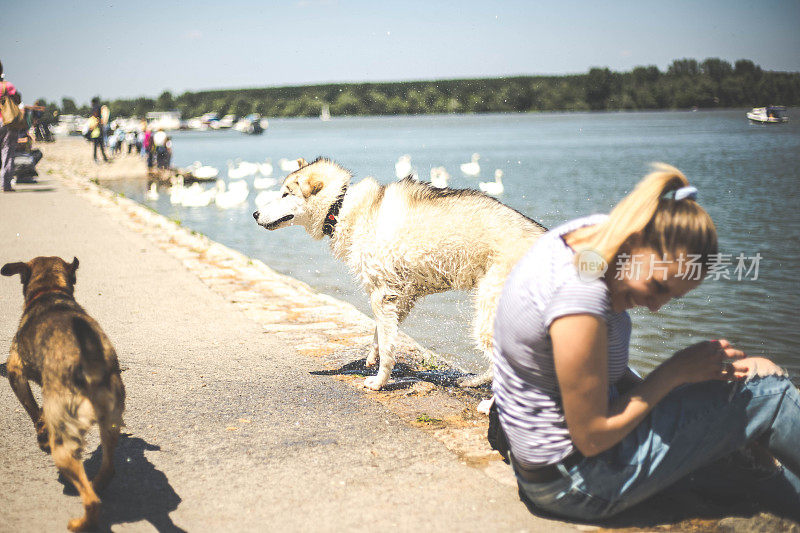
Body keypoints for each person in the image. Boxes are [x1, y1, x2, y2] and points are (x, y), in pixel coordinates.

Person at [491, 163, 800, 522]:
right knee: (770, 395)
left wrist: (695, 398)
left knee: (750, 390)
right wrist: (674, 373)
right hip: (576, 482)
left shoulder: (590, 237)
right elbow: (591, 436)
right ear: (635, 244)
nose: (656, 306)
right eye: (657, 286)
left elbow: (602, 377)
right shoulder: (580, 300)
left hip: (561, 468)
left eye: (672, 297)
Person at [0, 59, 22, 192]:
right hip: (6, 121)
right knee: (7, 151)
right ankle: (5, 183)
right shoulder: (7, 86)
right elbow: (17, 100)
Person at [88, 99, 109, 163]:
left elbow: (103, 125)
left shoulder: (99, 119)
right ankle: (95, 158)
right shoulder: (92, 119)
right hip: (94, 135)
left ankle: (105, 158)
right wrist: (96, 124)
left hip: (100, 134)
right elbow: (91, 128)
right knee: (95, 148)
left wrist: (101, 123)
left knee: (102, 147)